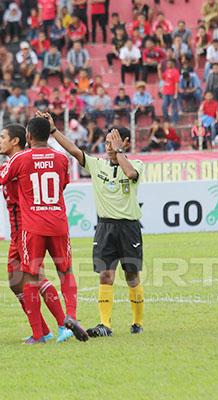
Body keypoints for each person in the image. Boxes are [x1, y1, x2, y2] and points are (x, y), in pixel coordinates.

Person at [0, 117, 90, 343]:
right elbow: (62, 184)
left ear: (25, 137)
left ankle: (50, 330)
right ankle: (66, 319)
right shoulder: (61, 158)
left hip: (29, 227)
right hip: (56, 222)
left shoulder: (20, 159)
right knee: (55, 272)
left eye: (2, 137)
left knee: (31, 276)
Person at [46, 113, 144, 337]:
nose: (108, 146)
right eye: (108, 142)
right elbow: (73, 150)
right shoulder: (97, 165)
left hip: (129, 227)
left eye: (113, 142)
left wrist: (119, 152)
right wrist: (53, 130)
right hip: (105, 227)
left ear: (125, 143)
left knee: (131, 276)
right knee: (105, 275)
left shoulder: (136, 164)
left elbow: (130, 174)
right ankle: (105, 325)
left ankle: (137, 322)